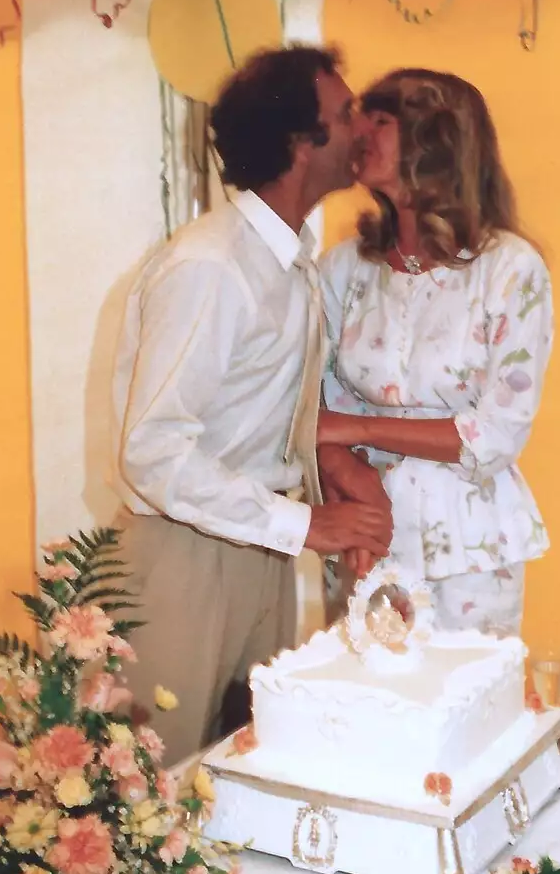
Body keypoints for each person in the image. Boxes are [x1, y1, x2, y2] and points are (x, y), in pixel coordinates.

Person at [111, 45, 392, 763]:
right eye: (344, 112)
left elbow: (280, 418)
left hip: (258, 550)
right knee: (156, 781)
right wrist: (305, 524)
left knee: (241, 769)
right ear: (301, 143)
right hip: (185, 557)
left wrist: (336, 493)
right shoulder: (211, 266)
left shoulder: (289, 262)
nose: (360, 128)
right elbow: (153, 453)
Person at [316, 68, 552, 636]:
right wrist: (347, 478)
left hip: (467, 554)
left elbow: (492, 437)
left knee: (457, 709)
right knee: (359, 708)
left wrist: (356, 431)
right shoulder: (344, 269)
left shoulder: (510, 269)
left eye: (381, 120)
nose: (359, 134)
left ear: (437, 139)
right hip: (362, 536)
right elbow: (308, 410)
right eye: (358, 118)